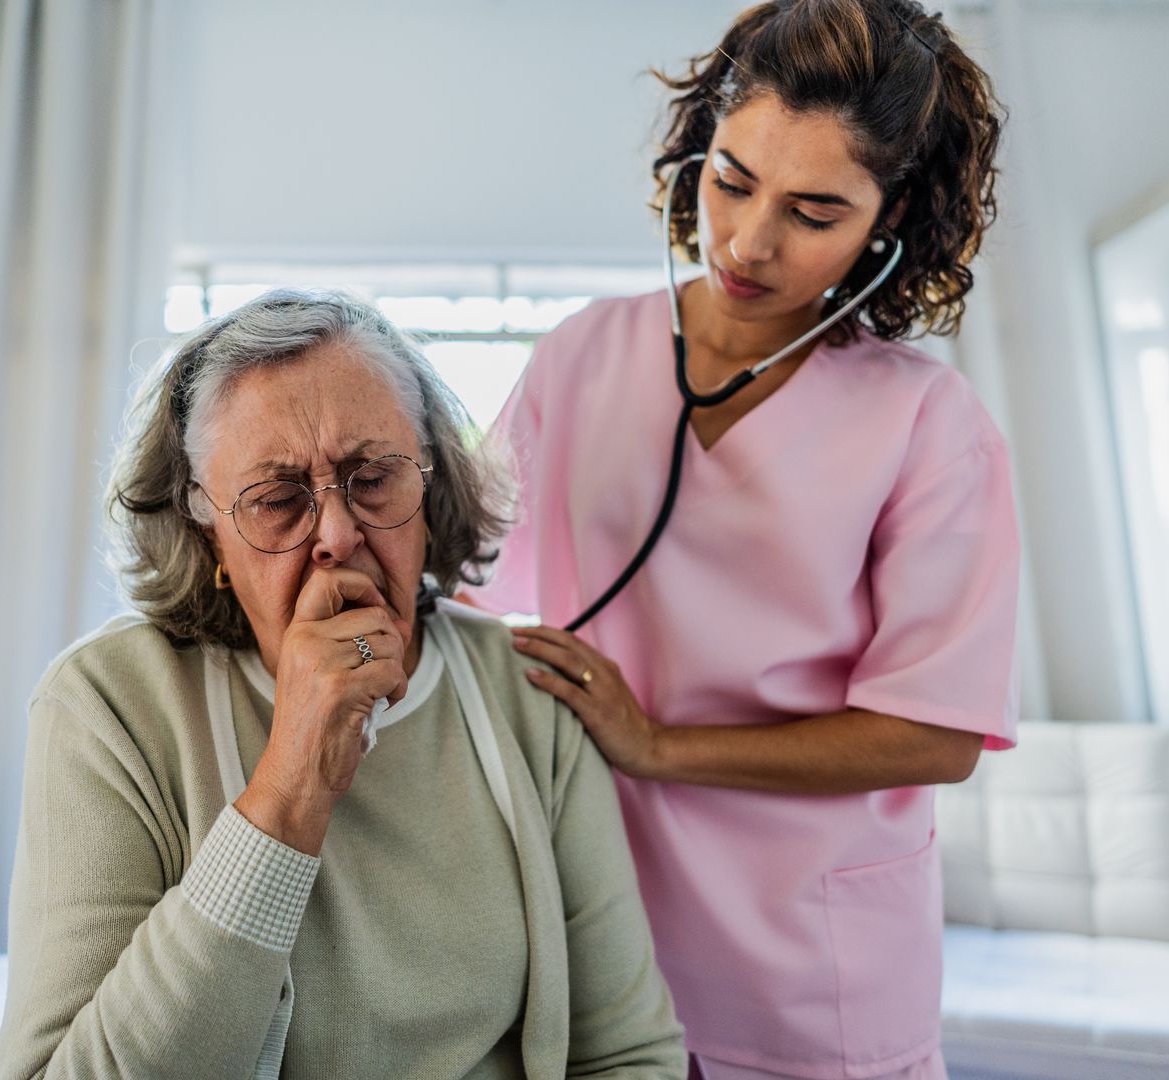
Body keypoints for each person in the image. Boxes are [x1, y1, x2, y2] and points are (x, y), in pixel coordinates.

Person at [464, 3, 1018, 1078]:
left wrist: (658, 745)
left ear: (890, 217)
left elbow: (934, 735)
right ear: (694, 155)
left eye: (815, 211)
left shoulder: (929, 425)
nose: (749, 242)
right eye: (731, 179)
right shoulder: (583, 356)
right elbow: (460, 584)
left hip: (815, 971)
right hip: (606, 935)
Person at [0, 290, 686, 1079]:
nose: (335, 535)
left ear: (432, 493)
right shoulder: (107, 705)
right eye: (278, 500)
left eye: (373, 479)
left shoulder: (529, 694)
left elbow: (630, 1054)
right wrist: (291, 789)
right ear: (207, 532)